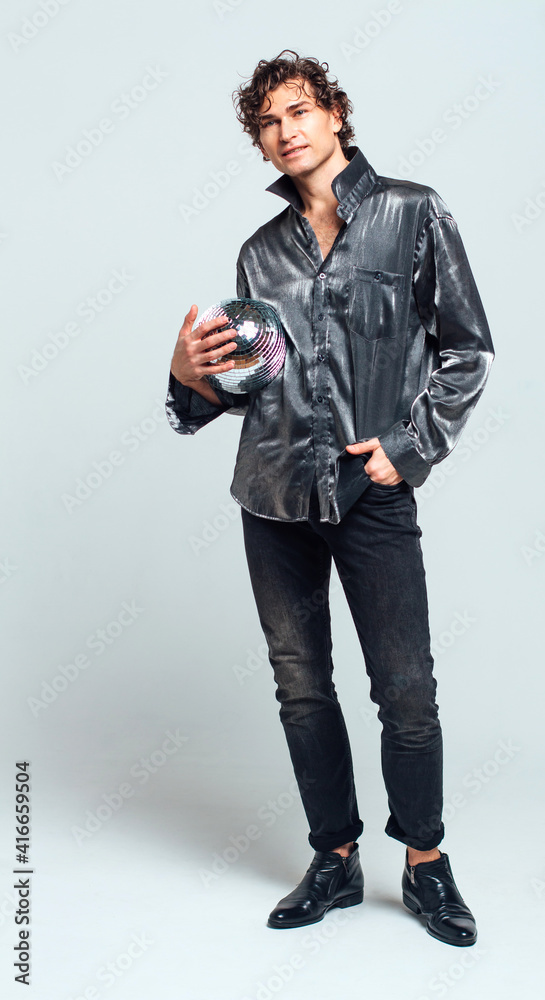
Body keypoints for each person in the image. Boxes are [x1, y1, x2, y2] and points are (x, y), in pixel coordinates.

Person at [166, 49, 494, 946]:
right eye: (269, 122)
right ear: (261, 143)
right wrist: (184, 375)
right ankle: (335, 861)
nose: (288, 129)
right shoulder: (258, 252)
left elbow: (466, 348)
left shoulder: (411, 214)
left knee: (406, 689)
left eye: (300, 109)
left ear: (335, 114)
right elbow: (238, 385)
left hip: (369, 495)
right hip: (271, 495)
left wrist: (407, 448)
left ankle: (425, 866)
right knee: (302, 688)